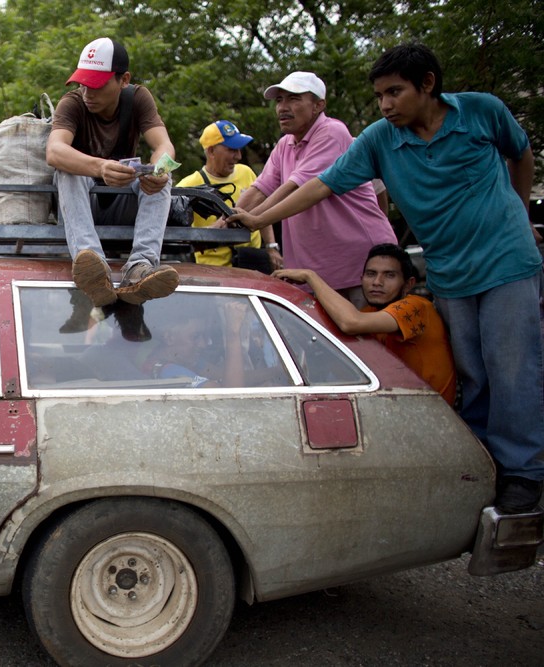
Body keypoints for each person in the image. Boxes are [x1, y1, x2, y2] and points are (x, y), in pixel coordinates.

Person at [227, 44, 543, 513]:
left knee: (512, 367)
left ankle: (524, 473)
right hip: (449, 269)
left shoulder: (482, 112)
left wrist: (518, 209)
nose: (386, 105)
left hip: (506, 260)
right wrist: (253, 220)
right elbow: (321, 185)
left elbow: (522, 156)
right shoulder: (379, 138)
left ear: (428, 85)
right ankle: (483, 461)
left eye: (395, 92)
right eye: (379, 96)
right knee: (473, 372)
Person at [215, 71, 397, 306]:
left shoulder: (332, 132)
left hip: (359, 264)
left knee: (368, 340)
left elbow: (297, 187)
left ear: (318, 105)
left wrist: (256, 220)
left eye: (294, 99)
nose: (283, 107)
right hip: (313, 268)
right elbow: (260, 189)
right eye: (279, 100)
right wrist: (218, 225)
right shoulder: (284, 145)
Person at [47, 37, 179, 307]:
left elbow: (164, 146)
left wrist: (159, 171)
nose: (87, 93)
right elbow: (55, 151)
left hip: (121, 202)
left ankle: (140, 268)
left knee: (162, 177)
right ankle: (92, 267)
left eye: (97, 85)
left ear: (124, 79)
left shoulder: (138, 98)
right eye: (83, 83)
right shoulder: (71, 104)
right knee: (67, 170)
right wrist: (100, 166)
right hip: (78, 211)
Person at [275, 243, 456, 404]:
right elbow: (342, 369)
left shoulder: (416, 307)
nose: (377, 282)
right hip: (396, 406)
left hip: (430, 411)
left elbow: (351, 323)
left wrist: (311, 277)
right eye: (371, 274)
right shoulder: (369, 313)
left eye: (389, 275)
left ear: (408, 284)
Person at [175, 119, 274, 270]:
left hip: (251, 263)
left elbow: (264, 211)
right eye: (232, 149)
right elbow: (177, 234)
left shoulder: (246, 172)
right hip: (213, 271)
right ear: (211, 151)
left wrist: (272, 246)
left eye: (240, 150)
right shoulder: (188, 186)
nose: (238, 156)